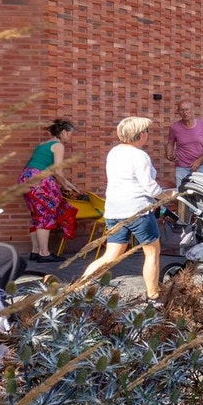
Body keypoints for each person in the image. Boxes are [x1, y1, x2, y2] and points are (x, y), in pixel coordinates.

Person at [79, 116, 167, 303]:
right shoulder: (140, 156)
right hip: (137, 210)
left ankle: (79, 288)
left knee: (111, 255)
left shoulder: (114, 152)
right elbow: (149, 187)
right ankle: (153, 295)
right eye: (146, 132)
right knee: (152, 252)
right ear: (140, 135)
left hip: (114, 210)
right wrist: (166, 195)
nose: (148, 135)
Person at [21, 119, 79, 262]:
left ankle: (35, 251)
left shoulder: (43, 144)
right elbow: (57, 170)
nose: (70, 137)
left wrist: (68, 184)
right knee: (45, 216)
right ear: (64, 132)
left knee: (36, 215)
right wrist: (65, 186)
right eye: (70, 134)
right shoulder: (58, 145)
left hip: (26, 178)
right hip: (39, 181)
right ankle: (44, 253)